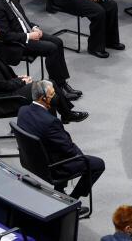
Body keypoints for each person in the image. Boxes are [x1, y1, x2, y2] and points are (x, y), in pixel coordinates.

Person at [0, 0, 81, 100]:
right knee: (52, 48)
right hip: (15, 43)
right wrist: (29, 35)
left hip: (27, 32)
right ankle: (57, 89)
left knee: (58, 41)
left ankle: (62, 84)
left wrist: (33, 27)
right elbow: (5, 36)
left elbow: (21, 18)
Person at [0, 22, 88, 123]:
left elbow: (2, 77)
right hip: (5, 98)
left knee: (49, 83)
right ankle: (62, 118)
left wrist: (18, 77)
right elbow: (1, 85)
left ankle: (66, 115)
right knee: (46, 89)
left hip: (9, 88)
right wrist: (21, 81)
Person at [16, 81, 104, 212]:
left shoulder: (23, 110)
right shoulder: (51, 122)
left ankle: (60, 190)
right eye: (52, 94)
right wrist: (81, 157)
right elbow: (68, 149)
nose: (56, 96)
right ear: (42, 98)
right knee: (97, 164)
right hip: (52, 168)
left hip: (32, 161)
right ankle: (72, 201)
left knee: (57, 151)